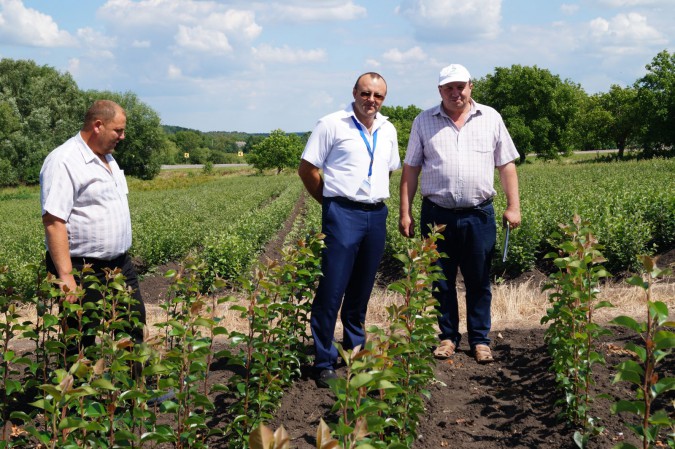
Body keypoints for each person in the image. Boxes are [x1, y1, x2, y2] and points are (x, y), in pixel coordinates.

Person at [399, 64, 521, 364]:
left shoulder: (490, 117)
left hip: (478, 215)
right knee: (441, 281)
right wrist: (405, 211)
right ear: (440, 90)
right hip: (436, 215)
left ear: (470, 86)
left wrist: (513, 206)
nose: (455, 93)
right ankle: (448, 337)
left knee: (478, 280)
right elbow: (411, 168)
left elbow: (506, 165)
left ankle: (479, 339)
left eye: (460, 87)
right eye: (448, 88)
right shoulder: (423, 121)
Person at [298, 72, 401, 387]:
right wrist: (330, 202)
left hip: (376, 214)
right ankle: (324, 359)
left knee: (362, 287)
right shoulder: (331, 124)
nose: (371, 100)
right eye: (366, 93)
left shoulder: (388, 129)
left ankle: (355, 350)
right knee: (332, 288)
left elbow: (389, 169)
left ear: (383, 99)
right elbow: (307, 168)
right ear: (354, 92)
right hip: (342, 212)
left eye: (378, 96)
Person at [40, 99, 146, 362]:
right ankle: (75, 388)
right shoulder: (64, 161)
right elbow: (53, 220)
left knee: (133, 325)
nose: (123, 136)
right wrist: (66, 276)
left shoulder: (107, 158)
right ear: (98, 126)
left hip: (119, 264)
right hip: (81, 268)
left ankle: (134, 385)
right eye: (118, 130)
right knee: (80, 336)